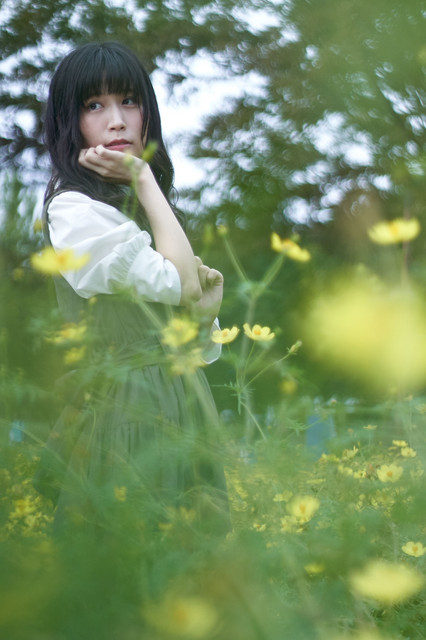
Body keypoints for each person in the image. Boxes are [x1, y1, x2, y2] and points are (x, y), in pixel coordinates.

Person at [34, 41, 229, 534]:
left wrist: (202, 317)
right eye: (94, 106)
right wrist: (143, 178)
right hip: (131, 409)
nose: (117, 121)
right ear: (70, 122)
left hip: (181, 405)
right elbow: (181, 283)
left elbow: (187, 335)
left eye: (128, 101)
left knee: (192, 564)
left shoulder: (137, 211)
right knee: (141, 552)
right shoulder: (75, 210)